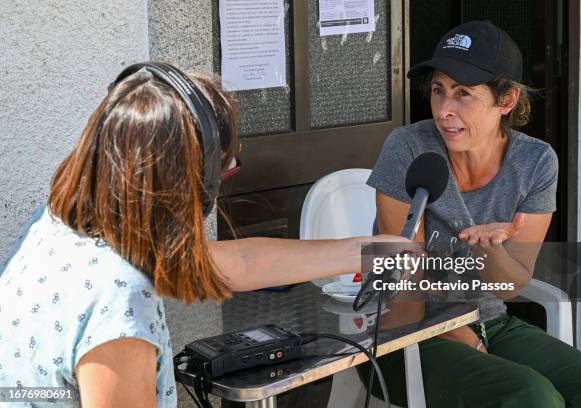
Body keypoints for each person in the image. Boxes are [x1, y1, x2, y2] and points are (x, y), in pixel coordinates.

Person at [0, 63, 412, 408]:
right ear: (190, 184)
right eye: (224, 167)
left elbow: (240, 263)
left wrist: (369, 251)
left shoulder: (60, 226)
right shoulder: (117, 297)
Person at [358, 21, 581, 407]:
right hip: (402, 335)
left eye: (463, 94)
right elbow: (404, 294)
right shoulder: (408, 148)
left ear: (506, 100)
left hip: (489, 320)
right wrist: (476, 348)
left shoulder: (536, 162)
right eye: (438, 91)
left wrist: (489, 251)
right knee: (532, 396)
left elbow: (511, 285)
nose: (444, 110)